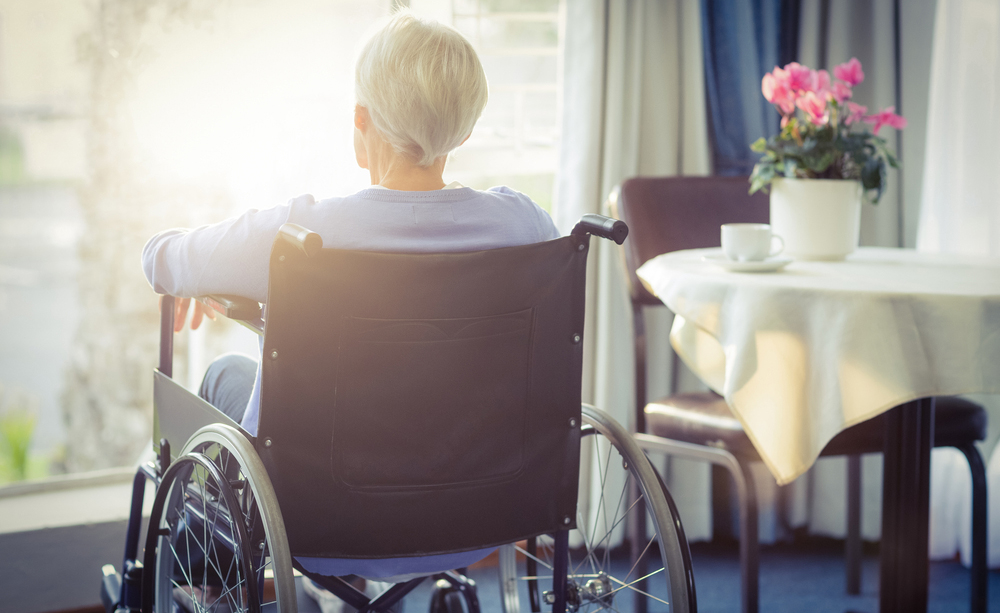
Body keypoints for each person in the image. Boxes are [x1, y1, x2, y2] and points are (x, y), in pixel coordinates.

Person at [141, 8, 559, 592]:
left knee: (222, 377)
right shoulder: (528, 229)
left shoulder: (298, 236)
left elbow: (162, 258)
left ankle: (208, 584)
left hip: (314, 527)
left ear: (360, 119)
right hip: (482, 522)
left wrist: (209, 281)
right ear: (464, 132)